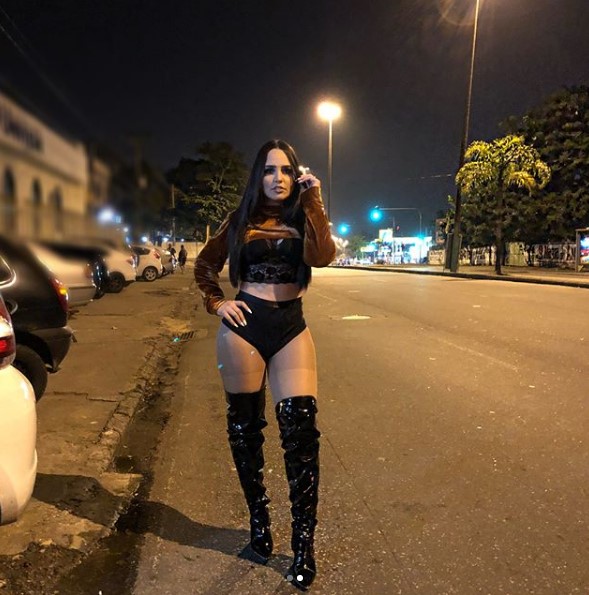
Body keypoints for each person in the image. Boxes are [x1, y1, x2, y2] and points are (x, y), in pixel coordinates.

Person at [194, 139, 335, 591]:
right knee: (245, 431)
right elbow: (205, 265)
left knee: (301, 432)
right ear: (259, 176)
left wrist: (313, 199)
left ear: (297, 176)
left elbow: (322, 257)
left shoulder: (304, 215)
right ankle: (259, 524)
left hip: (291, 325)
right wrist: (217, 303)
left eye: (287, 170)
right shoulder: (240, 219)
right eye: (270, 170)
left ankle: (303, 544)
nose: (278, 178)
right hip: (244, 328)